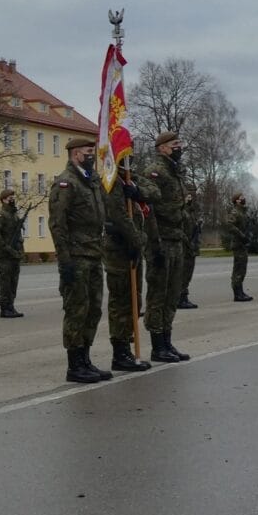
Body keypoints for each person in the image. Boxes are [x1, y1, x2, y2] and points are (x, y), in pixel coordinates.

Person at [49, 138, 110, 383]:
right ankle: (74, 365)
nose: (92, 156)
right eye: (88, 152)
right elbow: (57, 224)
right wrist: (65, 262)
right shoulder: (66, 183)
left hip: (94, 254)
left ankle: (85, 358)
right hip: (76, 257)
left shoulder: (92, 181)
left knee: (93, 310)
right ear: (75, 154)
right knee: (76, 310)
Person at [143, 131, 190, 362]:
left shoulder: (175, 172)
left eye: (179, 143)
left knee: (172, 293)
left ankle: (167, 341)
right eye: (174, 144)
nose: (178, 147)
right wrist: (154, 242)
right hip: (160, 239)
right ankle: (157, 344)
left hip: (176, 238)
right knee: (158, 295)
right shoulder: (156, 171)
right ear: (162, 147)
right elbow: (148, 210)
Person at [101, 157, 152, 372]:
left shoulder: (128, 180)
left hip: (132, 247)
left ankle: (127, 348)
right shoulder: (111, 181)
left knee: (134, 299)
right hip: (118, 249)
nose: (130, 161)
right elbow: (119, 216)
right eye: (126, 157)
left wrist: (136, 189)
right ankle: (120, 352)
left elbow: (151, 192)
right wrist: (136, 240)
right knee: (121, 300)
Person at [0, 188, 25, 318]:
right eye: (9, 197)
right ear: (3, 200)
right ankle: (4, 307)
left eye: (13, 197)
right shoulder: (0, 215)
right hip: (4, 254)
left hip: (14, 254)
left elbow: (18, 235)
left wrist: (20, 248)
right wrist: (6, 248)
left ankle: (11, 306)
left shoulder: (14, 215)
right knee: (5, 281)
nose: (12, 199)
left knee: (13, 281)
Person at [225, 193, 254, 301]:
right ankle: (237, 293)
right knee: (239, 269)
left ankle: (240, 291)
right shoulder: (235, 212)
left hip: (242, 244)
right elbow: (229, 225)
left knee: (242, 269)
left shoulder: (243, 212)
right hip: (238, 244)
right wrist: (242, 235)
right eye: (241, 198)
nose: (243, 199)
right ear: (236, 200)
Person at [178, 187, 202, 309]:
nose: (189, 198)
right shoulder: (182, 212)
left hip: (192, 247)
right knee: (184, 273)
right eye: (187, 196)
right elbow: (181, 229)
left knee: (188, 273)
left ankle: (183, 297)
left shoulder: (191, 212)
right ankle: (181, 298)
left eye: (190, 196)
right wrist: (187, 242)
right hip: (185, 246)